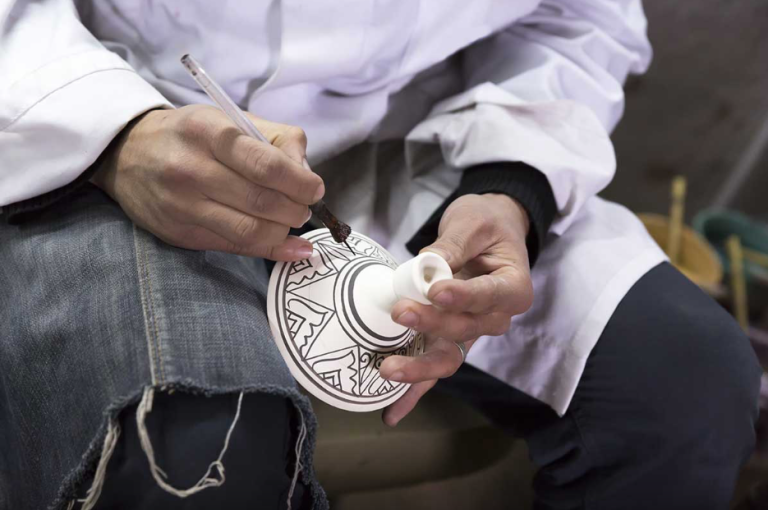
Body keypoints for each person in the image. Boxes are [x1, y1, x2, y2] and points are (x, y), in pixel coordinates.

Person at [0, 1, 761, 509]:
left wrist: (511, 185)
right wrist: (114, 130)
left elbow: (578, 18)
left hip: (412, 140)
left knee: (687, 385)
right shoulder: (115, 124)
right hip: (125, 123)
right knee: (201, 441)